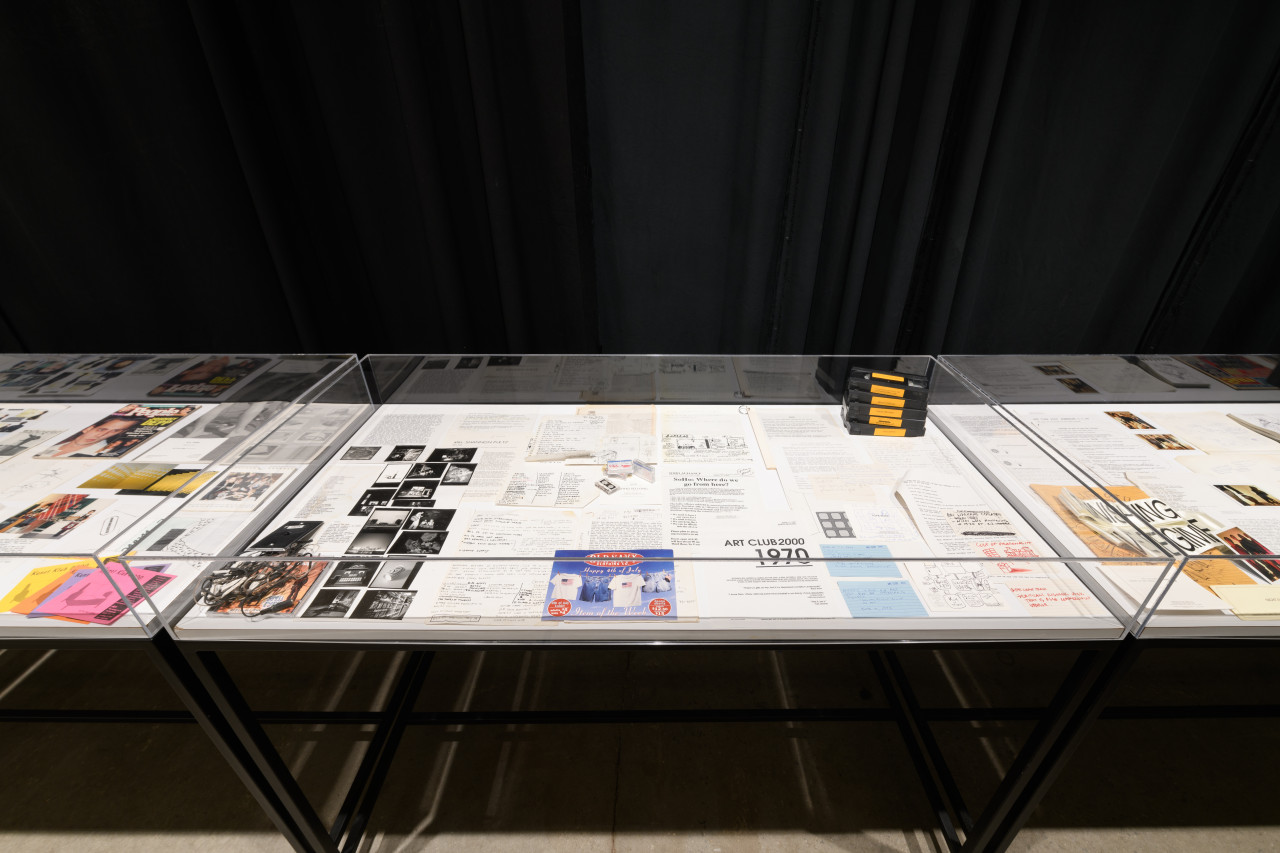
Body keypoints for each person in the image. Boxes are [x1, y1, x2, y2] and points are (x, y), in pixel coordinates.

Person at [45, 416, 142, 458]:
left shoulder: (102, 453)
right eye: (101, 429)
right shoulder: (50, 444)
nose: (101, 435)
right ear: (89, 428)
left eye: (115, 431)